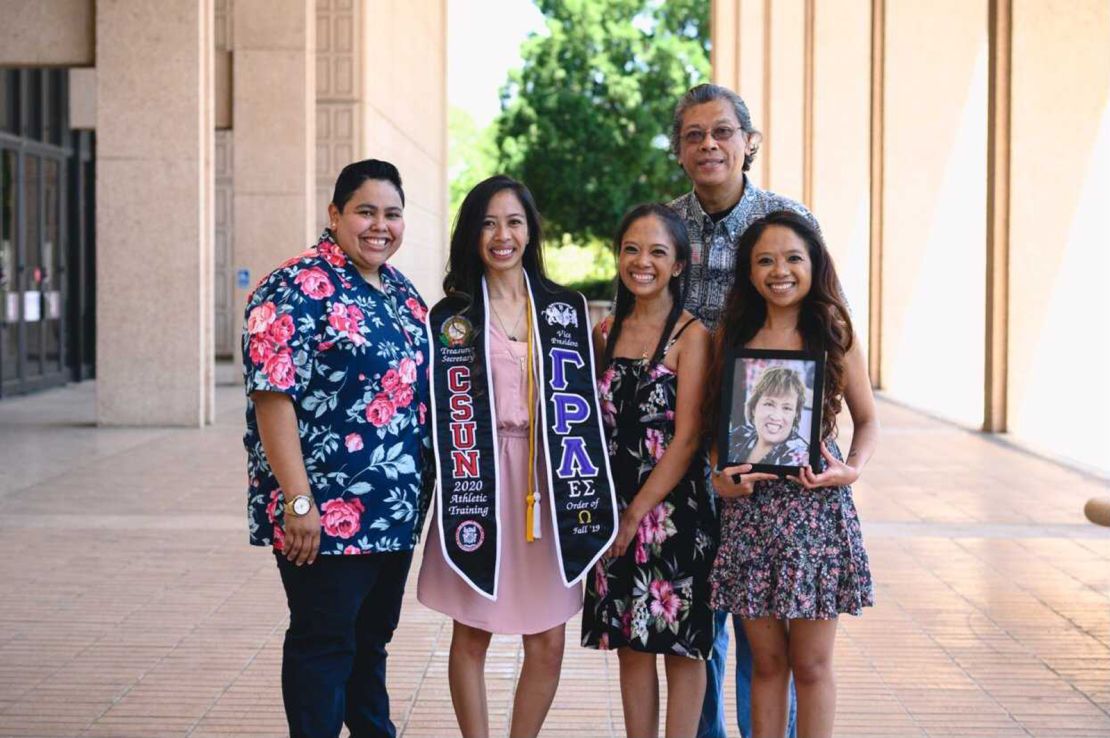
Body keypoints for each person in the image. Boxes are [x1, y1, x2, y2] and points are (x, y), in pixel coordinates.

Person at [418, 175, 616, 738]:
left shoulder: (564, 311)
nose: (501, 235)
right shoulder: (451, 317)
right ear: (471, 233)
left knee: (549, 638)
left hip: (547, 480)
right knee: (473, 629)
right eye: (487, 222)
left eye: (513, 222)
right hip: (478, 477)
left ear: (530, 231)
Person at [242, 159, 432, 738]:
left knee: (370, 642)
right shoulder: (296, 283)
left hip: (393, 512)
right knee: (324, 642)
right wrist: (299, 502)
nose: (380, 226)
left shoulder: (399, 289)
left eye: (392, 214)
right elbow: (272, 396)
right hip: (323, 513)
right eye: (366, 211)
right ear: (335, 215)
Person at [665, 82, 820, 738]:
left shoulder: (787, 222)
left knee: (766, 637)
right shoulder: (663, 229)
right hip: (680, 452)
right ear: (679, 151)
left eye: (722, 132)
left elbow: (822, 330)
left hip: (770, 456)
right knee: (701, 624)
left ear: (748, 142)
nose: (709, 145)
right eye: (694, 135)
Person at [705, 210, 878, 738]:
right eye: (765, 260)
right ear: (750, 272)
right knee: (767, 663)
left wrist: (851, 469)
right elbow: (718, 426)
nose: (780, 270)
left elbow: (868, 420)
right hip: (750, 515)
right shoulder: (730, 334)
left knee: (812, 665)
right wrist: (718, 475)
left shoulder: (834, 331)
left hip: (815, 514)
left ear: (813, 264)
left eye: (793, 258)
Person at [581, 204, 717, 738]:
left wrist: (635, 514)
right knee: (631, 647)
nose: (642, 262)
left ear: (680, 264)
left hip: (673, 515)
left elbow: (686, 440)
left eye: (658, 252)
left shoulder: (693, 336)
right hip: (613, 512)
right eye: (632, 249)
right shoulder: (604, 332)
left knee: (682, 648)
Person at [729, 366, 810, 467]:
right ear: (754, 408)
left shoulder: (802, 457)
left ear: (795, 415)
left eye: (787, 408)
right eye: (769, 404)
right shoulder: (738, 435)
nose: (776, 416)